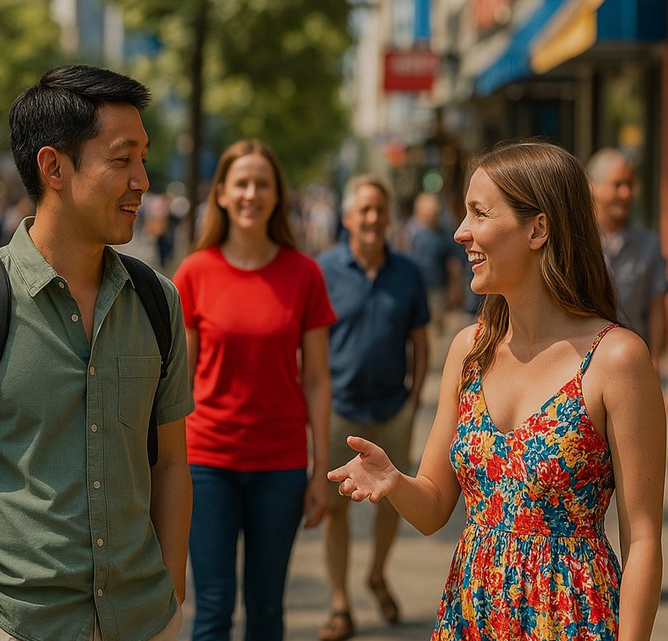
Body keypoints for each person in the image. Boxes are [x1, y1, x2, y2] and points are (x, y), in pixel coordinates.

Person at [0, 65, 194, 641]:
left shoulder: (157, 303)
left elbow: (171, 462)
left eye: (143, 160)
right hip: (19, 625)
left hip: (145, 620)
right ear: (54, 167)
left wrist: (171, 593)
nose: (143, 181)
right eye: (122, 160)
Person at [329, 140, 665, 640]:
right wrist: (394, 482)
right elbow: (435, 506)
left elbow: (642, 539)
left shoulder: (616, 358)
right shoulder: (469, 350)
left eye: (479, 213)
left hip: (572, 618)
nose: (461, 233)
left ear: (539, 228)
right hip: (473, 613)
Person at [173, 139, 336, 641]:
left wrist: (320, 469)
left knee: (267, 611)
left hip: (280, 467)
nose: (251, 193)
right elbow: (178, 380)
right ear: (221, 193)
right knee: (213, 608)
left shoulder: (304, 273)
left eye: (262, 184)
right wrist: (164, 466)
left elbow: (316, 378)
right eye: (240, 183)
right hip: (207, 463)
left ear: (276, 195)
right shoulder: (194, 273)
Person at [315, 175, 430, 640]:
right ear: (346, 218)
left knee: (394, 501)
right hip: (340, 408)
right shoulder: (323, 270)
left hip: (392, 410)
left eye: (379, 210)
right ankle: (340, 604)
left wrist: (414, 398)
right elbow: (312, 345)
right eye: (363, 210)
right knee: (335, 507)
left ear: (388, 217)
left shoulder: (408, 272)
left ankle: (377, 573)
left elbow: (421, 342)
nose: (372, 218)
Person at [587, 147, 667, 371]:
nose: (626, 193)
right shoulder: (577, 243)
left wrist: (654, 358)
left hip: (634, 364)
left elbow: (656, 308)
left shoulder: (649, 246)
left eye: (629, 186)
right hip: (585, 366)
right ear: (593, 187)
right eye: (617, 185)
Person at [402, 191, 463, 339]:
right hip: (413, 288)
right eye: (430, 212)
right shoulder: (410, 232)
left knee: (436, 330)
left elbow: (452, 262)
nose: (434, 215)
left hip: (437, 290)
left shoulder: (443, 233)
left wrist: (455, 288)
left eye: (435, 212)